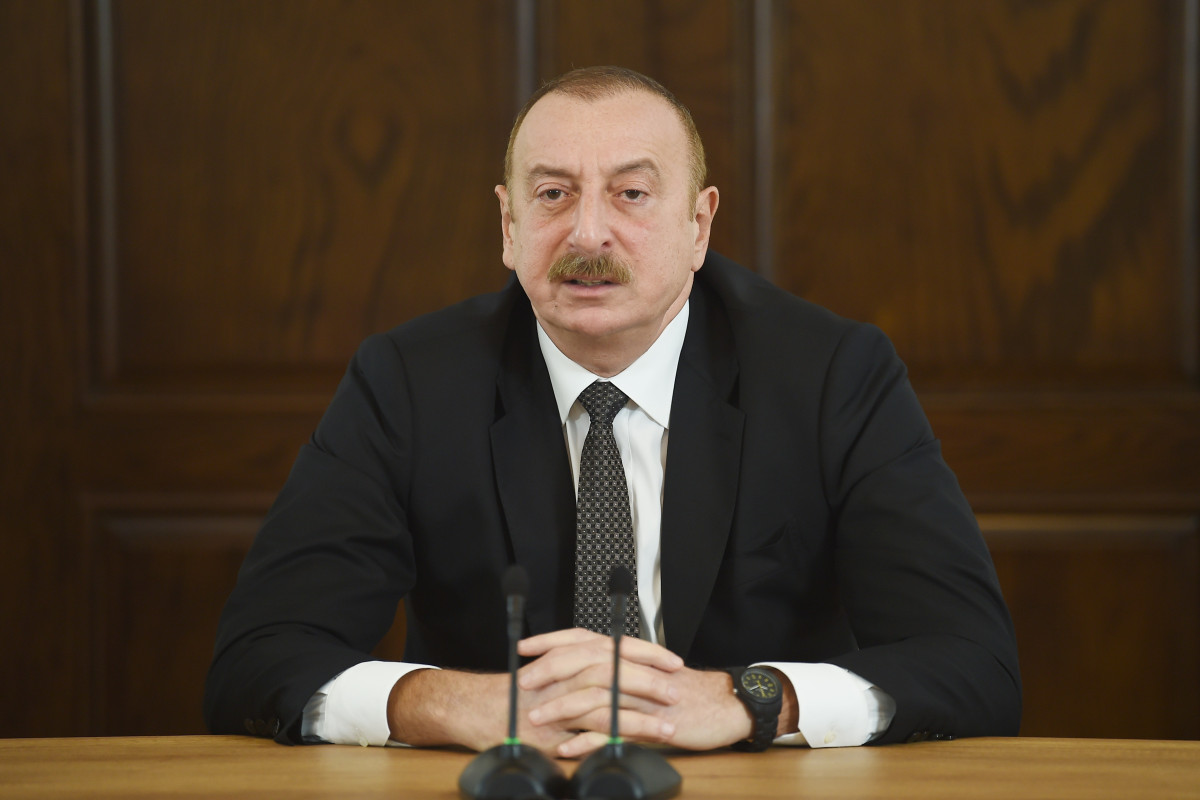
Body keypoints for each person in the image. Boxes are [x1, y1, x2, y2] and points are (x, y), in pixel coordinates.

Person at [204, 66, 1021, 756]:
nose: (587, 233)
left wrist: (747, 701)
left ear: (699, 224)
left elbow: (974, 663)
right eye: (553, 194)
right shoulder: (410, 383)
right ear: (509, 224)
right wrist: (455, 705)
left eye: (631, 193)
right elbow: (256, 658)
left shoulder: (830, 377)